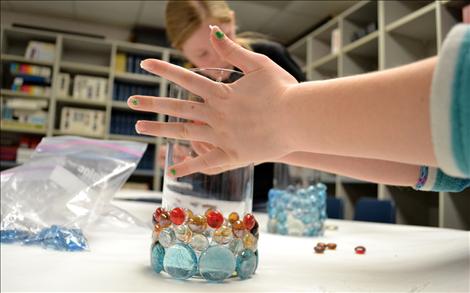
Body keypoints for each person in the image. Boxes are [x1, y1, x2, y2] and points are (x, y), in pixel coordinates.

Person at [129, 23, 470, 193]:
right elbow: (444, 167)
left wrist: (278, 118)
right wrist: (271, 140)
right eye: (199, 55)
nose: (213, 58)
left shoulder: (265, 58)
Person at [154, 0, 307, 204]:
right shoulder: (191, 85)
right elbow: (197, 146)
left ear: (233, 21)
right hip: (206, 197)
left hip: (263, 197)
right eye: (202, 54)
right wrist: (183, 156)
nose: (218, 57)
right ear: (181, 50)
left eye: (225, 37)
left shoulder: (269, 58)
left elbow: (310, 122)